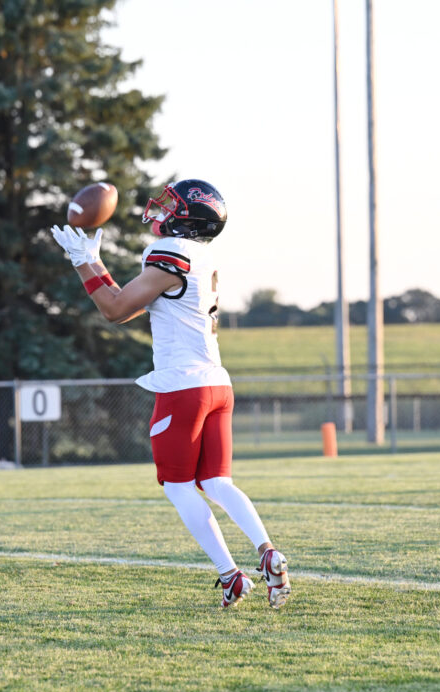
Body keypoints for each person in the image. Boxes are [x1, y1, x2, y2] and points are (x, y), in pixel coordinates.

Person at [50, 179, 291, 610]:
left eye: (172, 206)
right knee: (217, 482)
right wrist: (94, 261)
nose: (162, 211)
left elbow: (114, 310)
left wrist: (82, 263)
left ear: (187, 218)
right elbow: (128, 303)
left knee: (178, 486)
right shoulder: (200, 255)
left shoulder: (168, 252)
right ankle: (267, 551)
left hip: (183, 386)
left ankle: (230, 576)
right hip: (217, 382)